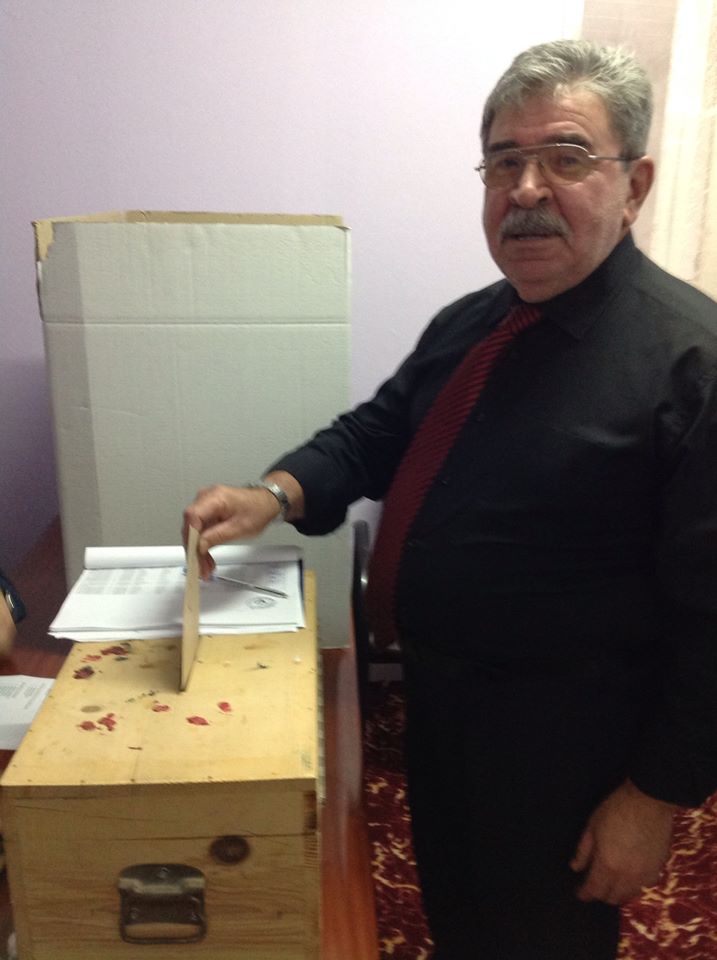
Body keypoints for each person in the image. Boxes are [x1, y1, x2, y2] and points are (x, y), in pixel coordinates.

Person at [184, 39, 717, 960]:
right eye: (502, 163)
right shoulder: (472, 322)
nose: (525, 190)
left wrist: (653, 798)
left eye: (565, 158)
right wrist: (272, 493)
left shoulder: (691, 365)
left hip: (567, 746)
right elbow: (376, 433)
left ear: (634, 186)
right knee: (457, 918)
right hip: (438, 707)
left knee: (538, 939)